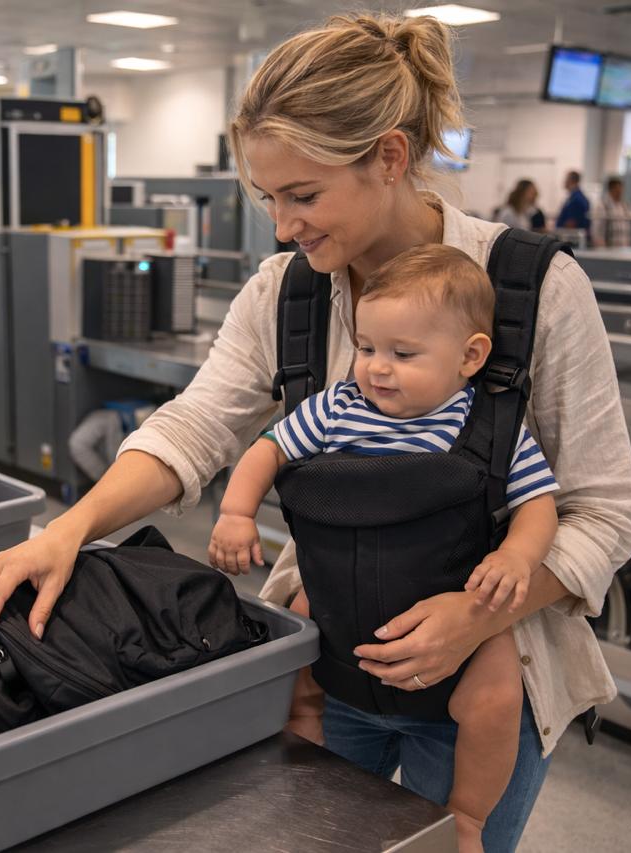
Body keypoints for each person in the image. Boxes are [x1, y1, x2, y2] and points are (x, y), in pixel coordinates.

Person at [0, 14, 631, 853]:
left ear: (389, 157)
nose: (284, 226)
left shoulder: (534, 290)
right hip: (328, 656)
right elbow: (197, 426)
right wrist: (68, 530)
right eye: (268, 197)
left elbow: (605, 512)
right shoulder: (286, 292)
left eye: (305, 195)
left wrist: (472, 615)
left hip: (487, 680)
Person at [209, 245, 559, 852]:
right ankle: (305, 716)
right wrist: (237, 512)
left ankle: (469, 815)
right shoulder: (336, 408)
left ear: (470, 357)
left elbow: (538, 506)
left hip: (454, 605)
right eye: (367, 348)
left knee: (499, 692)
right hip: (338, 598)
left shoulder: (489, 427)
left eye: (403, 354)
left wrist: (516, 558)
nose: (376, 368)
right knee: (298, 625)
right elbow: (269, 448)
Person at [592, 177, 631, 248]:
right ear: (611, 189)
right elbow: (597, 231)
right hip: (608, 249)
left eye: (621, 189)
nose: (620, 191)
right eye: (617, 189)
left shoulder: (625, 206)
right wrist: (601, 249)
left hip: (624, 248)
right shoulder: (602, 205)